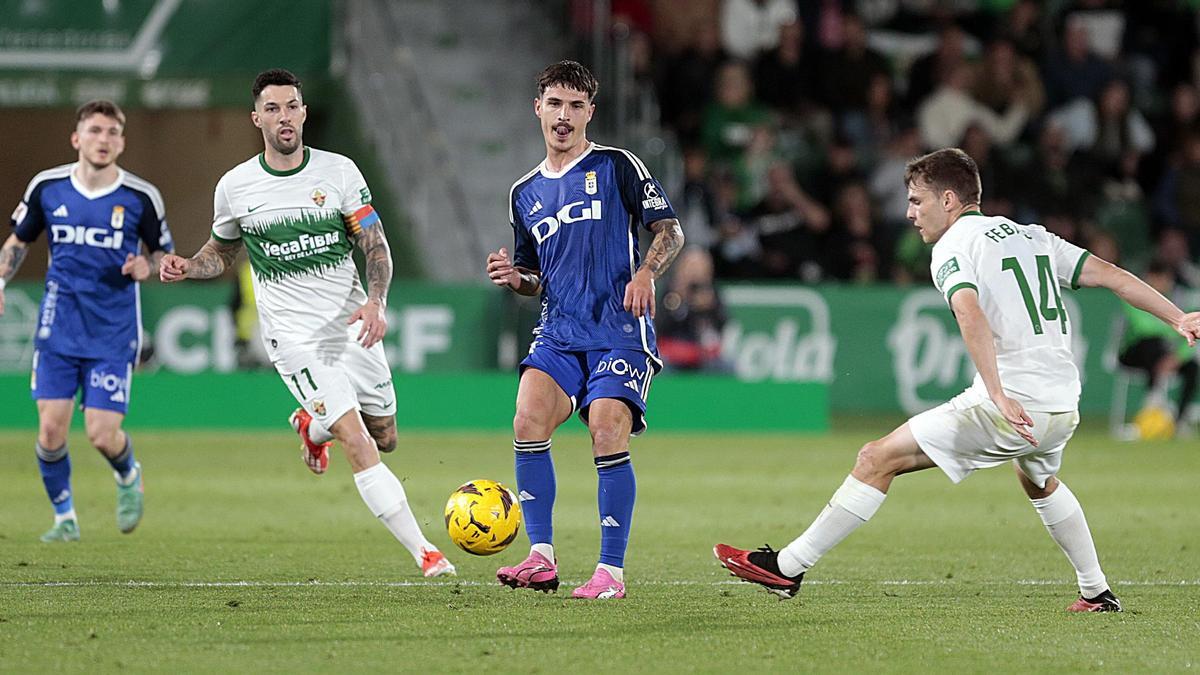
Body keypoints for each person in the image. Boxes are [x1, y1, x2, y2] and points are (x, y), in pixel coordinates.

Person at [715, 148, 1200, 611]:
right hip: (1062, 403)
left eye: (916, 200)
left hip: (1014, 402)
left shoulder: (954, 244)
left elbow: (969, 312)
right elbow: (1113, 274)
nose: (909, 213)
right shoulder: (1031, 235)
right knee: (1038, 478)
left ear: (948, 200)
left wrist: (996, 394)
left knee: (875, 458)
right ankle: (1096, 591)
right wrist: (1178, 318)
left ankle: (787, 567)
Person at [158, 69, 454, 578]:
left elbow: (374, 243)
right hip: (292, 337)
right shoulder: (236, 186)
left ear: (304, 112)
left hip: (349, 326)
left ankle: (311, 426)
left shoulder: (338, 172)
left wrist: (377, 301)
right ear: (257, 119)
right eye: (272, 108)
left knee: (384, 435)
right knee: (359, 441)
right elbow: (221, 250)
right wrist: (190, 265)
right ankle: (426, 553)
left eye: (291, 106)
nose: (284, 116)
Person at [485, 60, 685, 599]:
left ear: (590, 112)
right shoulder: (523, 192)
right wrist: (516, 277)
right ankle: (541, 557)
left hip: (619, 329)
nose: (564, 116)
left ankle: (610, 573)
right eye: (555, 104)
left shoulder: (618, 165)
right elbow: (534, 276)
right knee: (527, 420)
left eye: (576, 105)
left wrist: (646, 270)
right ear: (538, 109)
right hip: (558, 331)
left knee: (605, 428)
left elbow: (669, 229)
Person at [0, 100, 173, 542]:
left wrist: (148, 267)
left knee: (101, 433)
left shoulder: (141, 197)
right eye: (95, 131)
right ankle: (65, 519)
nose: (104, 139)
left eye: (113, 132)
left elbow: (163, 255)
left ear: (122, 142)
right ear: (77, 138)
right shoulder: (48, 187)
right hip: (58, 325)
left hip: (112, 331)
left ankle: (128, 472)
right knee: (51, 428)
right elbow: (18, 242)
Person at [1117, 259, 1198, 428]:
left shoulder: (1174, 301)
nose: (1166, 283)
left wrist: (1177, 357)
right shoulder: (1134, 297)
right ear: (1150, 278)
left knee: (1192, 367)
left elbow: (1188, 335)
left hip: (1164, 353)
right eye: (1161, 278)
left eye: (1168, 279)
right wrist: (1174, 326)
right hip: (1133, 353)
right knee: (1152, 346)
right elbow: (1144, 328)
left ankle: (1179, 420)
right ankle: (1152, 403)